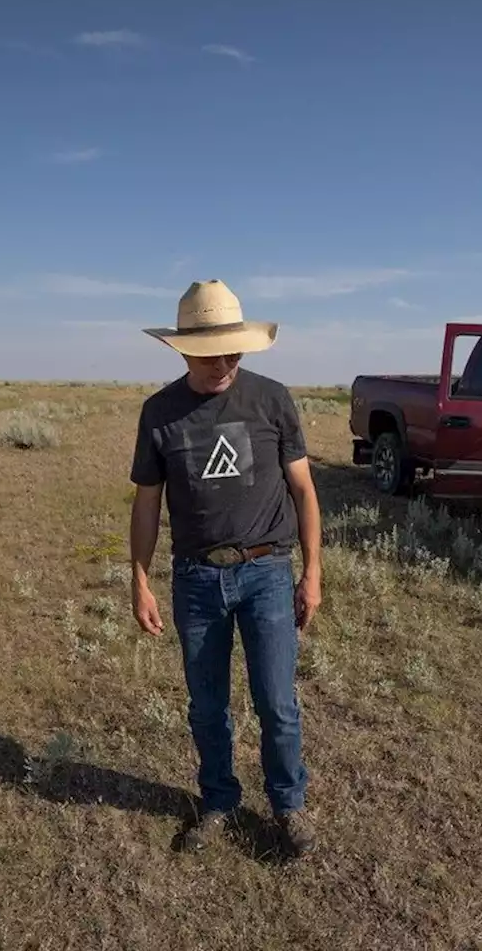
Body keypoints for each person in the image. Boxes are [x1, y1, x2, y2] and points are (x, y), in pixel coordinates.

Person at [128, 278, 323, 857]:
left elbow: (305, 490)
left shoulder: (272, 399)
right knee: (207, 705)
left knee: (277, 702)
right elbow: (146, 503)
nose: (226, 362)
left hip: (266, 571)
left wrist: (312, 573)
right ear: (183, 349)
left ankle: (289, 807)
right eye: (214, 352)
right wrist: (139, 580)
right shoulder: (160, 414)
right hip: (194, 579)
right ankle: (218, 801)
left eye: (235, 349)